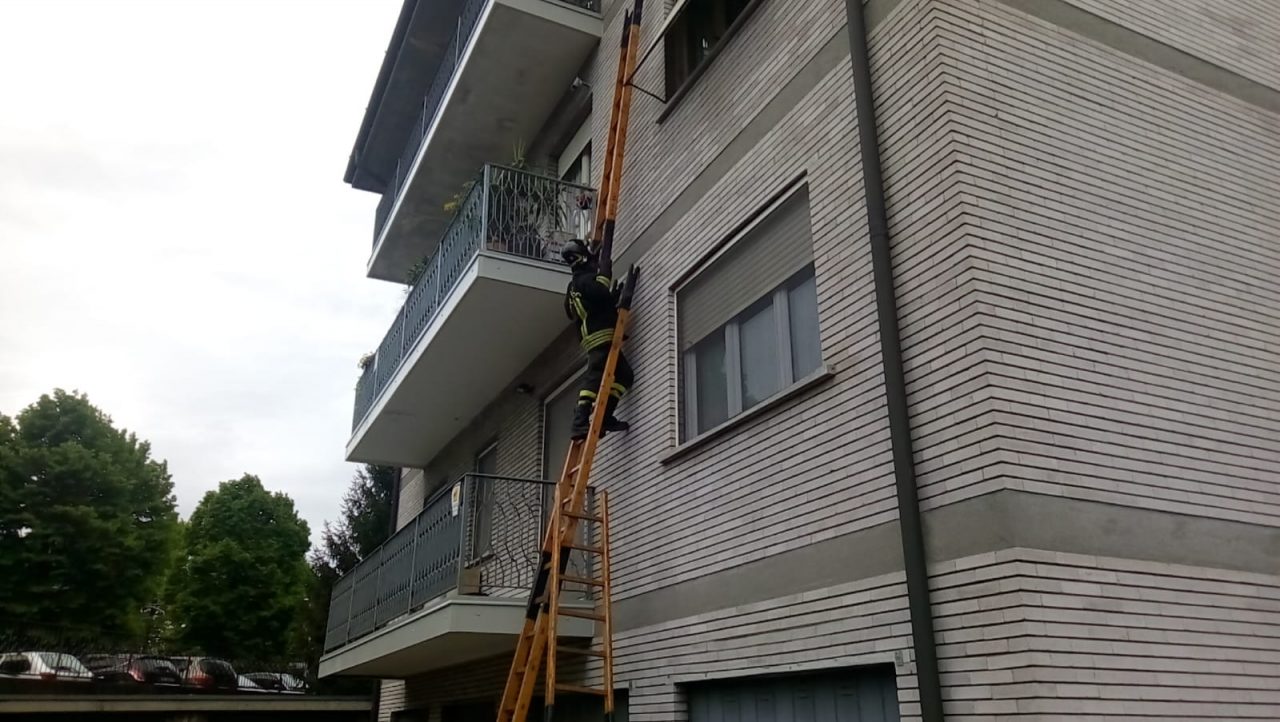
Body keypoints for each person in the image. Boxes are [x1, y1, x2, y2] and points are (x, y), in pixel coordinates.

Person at [562, 239, 633, 440]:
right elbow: (600, 292)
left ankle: (605, 418)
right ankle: (579, 423)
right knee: (593, 380)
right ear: (582, 257)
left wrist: (611, 299)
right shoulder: (585, 280)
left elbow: (571, 311)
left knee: (625, 376)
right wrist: (604, 273)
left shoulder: (573, 285)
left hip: (592, 336)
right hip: (600, 336)